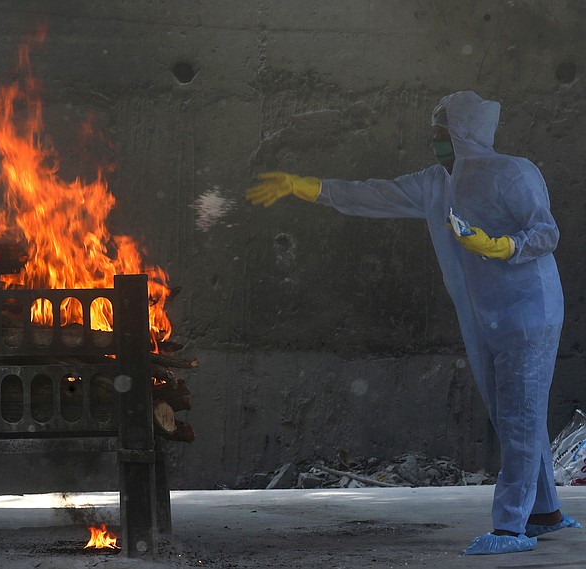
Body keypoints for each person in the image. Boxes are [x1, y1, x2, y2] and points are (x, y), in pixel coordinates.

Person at [246, 91, 579, 555]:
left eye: (441, 133)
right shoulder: (436, 184)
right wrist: (312, 187)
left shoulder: (514, 172)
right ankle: (543, 511)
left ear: (464, 132)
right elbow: (375, 193)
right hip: (484, 315)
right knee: (515, 415)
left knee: (520, 415)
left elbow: (546, 232)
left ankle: (510, 527)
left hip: (530, 311)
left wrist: (502, 247)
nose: (435, 141)